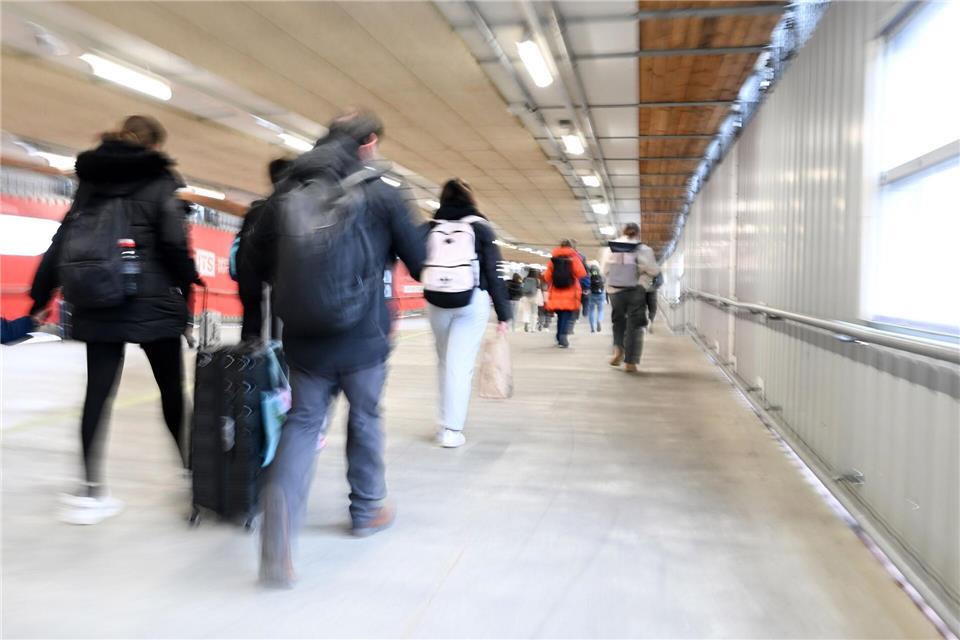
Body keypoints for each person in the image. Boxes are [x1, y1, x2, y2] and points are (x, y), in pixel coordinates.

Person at [245, 110, 425, 587]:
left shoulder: (287, 190)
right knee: (365, 416)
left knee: (303, 422)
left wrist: (301, 291)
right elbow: (421, 261)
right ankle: (366, 510)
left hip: (305, 337)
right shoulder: (383, 191)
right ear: (369, 143)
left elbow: (252, 263)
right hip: (364, 335)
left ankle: (279, 536)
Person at [30, 115, 201, 524]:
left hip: (98, 298)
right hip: (154, 300)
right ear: (154, 145)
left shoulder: (90, 181)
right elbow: (173, 244)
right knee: (171, 391)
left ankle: (90, 492)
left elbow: (63, 240)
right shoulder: (160, 180)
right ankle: (193, 473)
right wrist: (188, 285)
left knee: (97, 394)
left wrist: (41, 293)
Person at [423, 179, 510, 448]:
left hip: (437, 300)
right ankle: (452, 430)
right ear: (470, 199)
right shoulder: (480, 227)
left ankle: (443, 424)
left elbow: (415, 261)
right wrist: (503, 313)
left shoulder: (430, 227)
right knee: (459, 365)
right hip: (472, 301)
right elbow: (494, 272)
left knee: (444, 362)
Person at [236, 158, 292, 341]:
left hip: (253, 281)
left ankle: (254, 352)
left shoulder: (256, 211)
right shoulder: (287, 210)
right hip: (277, 281)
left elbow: (244, 253)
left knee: (253, 333)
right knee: (281, 332)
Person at [600, 223, 660, 373]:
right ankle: (630, 362)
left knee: (618, 322)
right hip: (636, 289)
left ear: (622, 232)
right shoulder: (644, 249)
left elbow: (604, 270)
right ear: (638, 233)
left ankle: (618, 350)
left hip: (615, 290)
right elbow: (653, 271)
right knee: (635, 324)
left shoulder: (610, 248)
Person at [544, 240, 587, 348]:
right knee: (566, 316)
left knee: (560, 316)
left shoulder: (553, 259)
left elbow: (547, 276)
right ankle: (563, 337)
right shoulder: (574, 258)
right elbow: (581, 273)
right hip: (570, 292)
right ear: (571, 247)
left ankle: (559, 337)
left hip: (556, 292)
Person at [586, 262, 606, 333]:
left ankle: (592, 328)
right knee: (600, 310)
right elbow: (604, 282)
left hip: (592, 294)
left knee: (591, 311)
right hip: (600, 294)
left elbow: (586, 284)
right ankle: (599, 320)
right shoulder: (601, 275)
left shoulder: (589, 276)